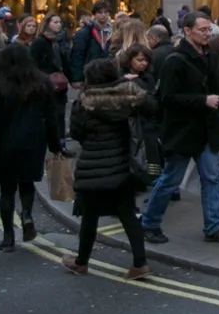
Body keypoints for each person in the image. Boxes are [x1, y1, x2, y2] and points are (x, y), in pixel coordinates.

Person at [139, 12, 219, 245]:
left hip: (206, 129)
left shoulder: (209, 55)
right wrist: (203, 100)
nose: (207, 33)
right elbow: (168, 98)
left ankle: (213, 227)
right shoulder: (175, 60)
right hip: (182, 131)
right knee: (170, 180)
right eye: (202, 29)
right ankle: (149, 223)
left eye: (208, 29)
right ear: (187, 30)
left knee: (212, 178)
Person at [63, 58, 154, 279]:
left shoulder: (83, 102)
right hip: (122, 165)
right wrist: (129, 85)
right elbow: (152, 108)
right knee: (127, 214)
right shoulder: (126, 97)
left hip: (92, 167)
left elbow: (76, 133)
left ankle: (82, 262)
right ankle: (140, 263)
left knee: (90, 216)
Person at [0, 44, 61, 251]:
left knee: (6, 189)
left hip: (2, 143)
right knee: (26, 181)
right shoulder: (41, 82)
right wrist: (55, 144)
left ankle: (8, 237)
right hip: (33, 142)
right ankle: (28, 215)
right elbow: (52, 117)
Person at [31, 13, 69, 124]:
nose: (58, 25)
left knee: (60, 115)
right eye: (55, 22)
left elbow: (65, 62)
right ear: (47, 24)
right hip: (46, 84)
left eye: (59, 22)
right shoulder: (39, 42)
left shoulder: (61, 40)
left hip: (60, 85)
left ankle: (60, 139)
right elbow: (33, 63)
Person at [69, 0, 113, 87]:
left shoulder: (113, 31)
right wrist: (77, 78)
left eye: (106, 12)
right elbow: (77, 55)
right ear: (94, 14)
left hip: (109, 73)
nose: (103, 15)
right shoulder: (85, 32)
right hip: (90, 73)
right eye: (100, 12)